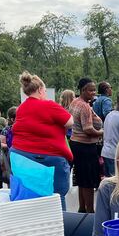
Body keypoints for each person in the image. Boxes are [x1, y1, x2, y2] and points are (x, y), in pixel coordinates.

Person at [11, 72, 74, 210]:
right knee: (57, 195)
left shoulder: (21, 108)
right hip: (51, 157)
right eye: (44, 91)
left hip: (22, 157)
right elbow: (70, 121)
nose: (45, 94)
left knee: (32, 194)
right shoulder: (49, 105)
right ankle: (60, 225)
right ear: (40, 90)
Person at [69, 78, 103, 212]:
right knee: (88, 181)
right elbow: (88, 129)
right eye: (91, 90)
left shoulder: (75, 102)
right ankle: (90, 211)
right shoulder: (83, 106)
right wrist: (100, 133)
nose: (93, 93)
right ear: (83, 90)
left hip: (76, 144)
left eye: (94, 90)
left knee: (82, 179)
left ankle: (82, 208)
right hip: (85, 147)